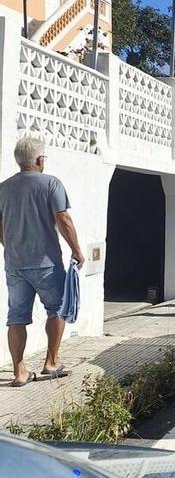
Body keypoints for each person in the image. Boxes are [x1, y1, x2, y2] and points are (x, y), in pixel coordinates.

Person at [0, 137, 84, 387]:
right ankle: (51, 362)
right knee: (57, 309)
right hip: (46, 262)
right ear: (39, 160)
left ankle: (19, 372)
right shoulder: (51, 184)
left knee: (16, 316)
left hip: (15, 264)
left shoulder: (3, 188)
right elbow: (63, 219)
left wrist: (10, 245)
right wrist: (77, 251)